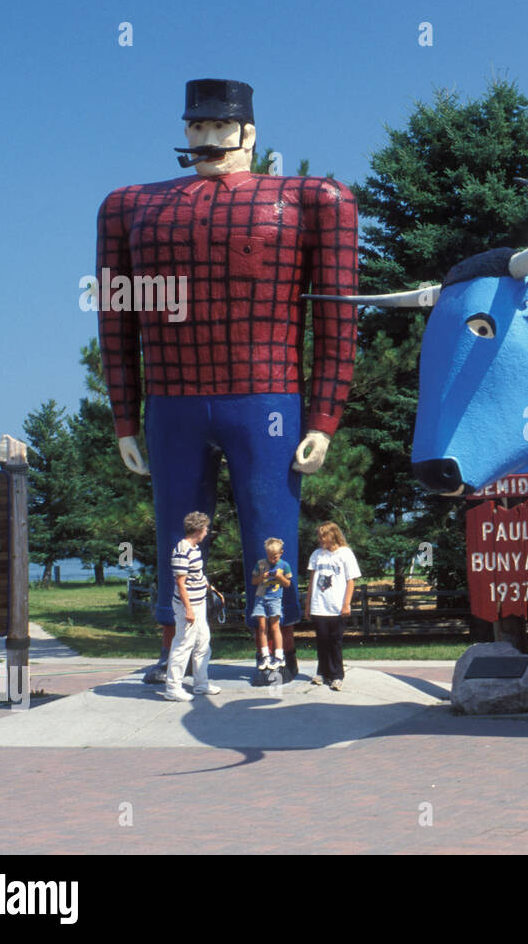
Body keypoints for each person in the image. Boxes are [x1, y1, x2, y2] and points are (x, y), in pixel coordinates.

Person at [96, 78, 358, 687]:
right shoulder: (129, 206)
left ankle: (280, 653)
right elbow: (116, 317)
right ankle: (173, 652)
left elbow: (338, 316)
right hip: (173, 395)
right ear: (185, 132)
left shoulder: (312, 200)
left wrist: (323, 418)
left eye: (220, 129)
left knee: (270, 529)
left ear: (249, 133)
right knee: (175, 535)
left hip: (266, 394)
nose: (209, 140)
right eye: (197, 129)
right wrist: (125, 418)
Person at [165, 511, 222, 701]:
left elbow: (196, 575)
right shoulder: (182, 550)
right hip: (187, 606)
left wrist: (211, 588)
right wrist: (188, 610)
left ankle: (201, 684)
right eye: (205, 528)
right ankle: (173, 688)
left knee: (203, 642)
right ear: (198, 530)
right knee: (183, 644)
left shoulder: (194, 548)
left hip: (199, 604)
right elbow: (181, 583)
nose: (207, 532)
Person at [304, 521, 360, 691]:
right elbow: (312, 581)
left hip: (337, 607)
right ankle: (322, 672)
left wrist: (346, 604)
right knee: (321, 641)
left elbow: (351, 581)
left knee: (335, 641)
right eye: (319, 536)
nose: (320, 539)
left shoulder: (345, 554)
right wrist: (307, 605)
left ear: (332, 535)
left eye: (323, 536)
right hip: (319, 606)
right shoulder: (316, 555)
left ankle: (337, 675)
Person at [251, 537, 292, 671]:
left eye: (274, 557)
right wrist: (262, 576)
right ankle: (265, 656)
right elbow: (254, 581)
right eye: (269, 556)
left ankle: (279, 656)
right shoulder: (261, 564)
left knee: (275, 626)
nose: (272, 559)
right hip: (261, 598)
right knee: (262, 627)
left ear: (281, 553)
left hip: (275, 599)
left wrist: (280, 577)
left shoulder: (284, 565)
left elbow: (287, 584)